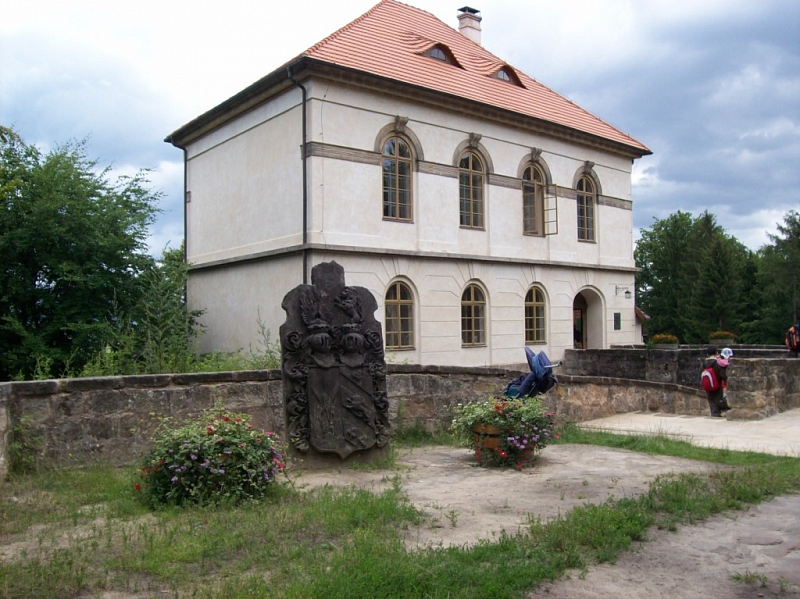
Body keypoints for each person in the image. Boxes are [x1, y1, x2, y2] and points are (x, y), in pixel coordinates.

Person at [702, 346, 728, 417]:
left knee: (713, 409)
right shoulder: (718, 363)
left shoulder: (704, 364)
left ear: (707, 354)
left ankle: (714, 417)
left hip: (708, 389)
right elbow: (724, 376)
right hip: (718, 389)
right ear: (716, 353)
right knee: (724, 406)